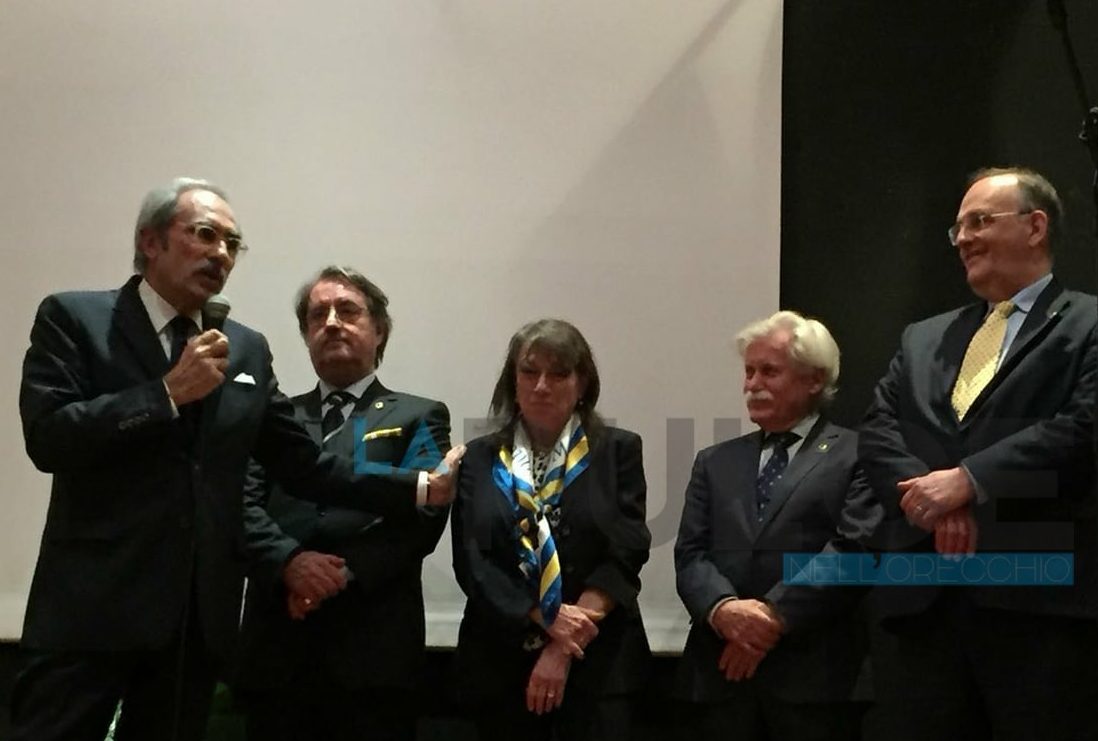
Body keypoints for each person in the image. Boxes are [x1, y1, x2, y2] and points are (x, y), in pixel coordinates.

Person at [13, 179, 459, 741]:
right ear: (150, 241)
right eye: (205, 235)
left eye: (231, 243)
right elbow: (49, 438)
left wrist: (419, 488)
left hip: (195, 624)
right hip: (91, 612)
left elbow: (305, 465)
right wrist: (165, 394)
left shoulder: (243, 347)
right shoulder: (76, 318)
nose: (220, 254)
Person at [858, 167, 1098, 740]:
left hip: (1039, 605)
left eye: (980, 221)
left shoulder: (1096, 324)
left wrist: (969, 480)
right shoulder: (922, 338)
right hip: (926, 608)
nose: (963, 238)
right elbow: (879, 429)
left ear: (1035, 227)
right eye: (958, 228)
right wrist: (935, 498)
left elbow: (1087, 426)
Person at [234, 266, 451, 740]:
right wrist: (290, 563)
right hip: (277, 647)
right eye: (318, 315)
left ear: (380, 331)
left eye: (348, 311)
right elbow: (241, 506)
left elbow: (425, 513)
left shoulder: (419, 415)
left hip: (373, 653)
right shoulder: (272, 415)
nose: (331, 323)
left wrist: (338, 575)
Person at [674, 310, 881, 741]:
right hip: (719, 677)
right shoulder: (715, 461)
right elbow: (691, 556)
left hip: (816, 680)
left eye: (769, 371)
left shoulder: (860, 454)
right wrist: (724, 610)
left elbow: (854, 551)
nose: (752, 384)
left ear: (814, 379)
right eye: (748, 372)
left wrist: (772, 617)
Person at [449, 318, 651, 740]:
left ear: (582, 384)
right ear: (513, 381)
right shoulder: (479, 458)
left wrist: (563, 644)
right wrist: (543, 616)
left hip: (599, 664)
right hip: (499, 665)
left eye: (558, 374)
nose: (542, 386)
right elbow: (473, 563)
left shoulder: (618, 450)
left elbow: (626, 551)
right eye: (529, 371)